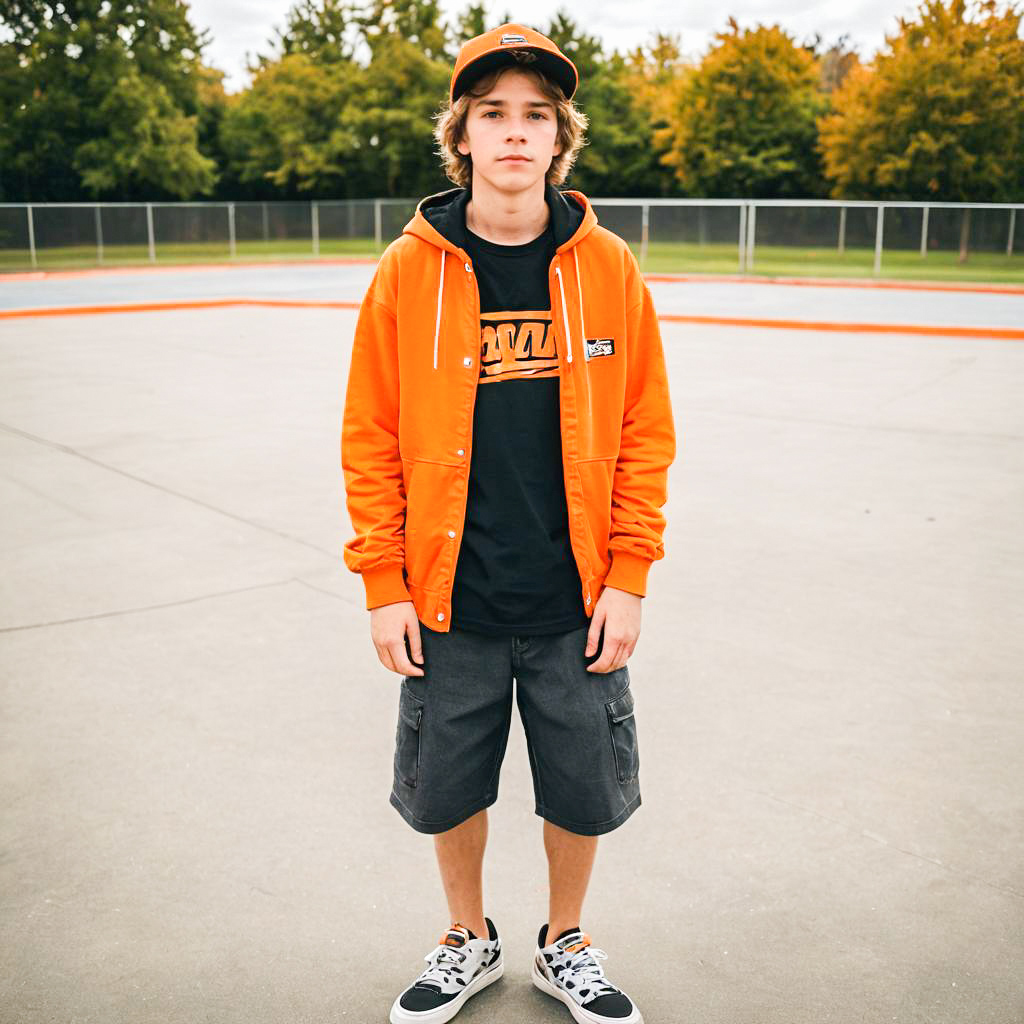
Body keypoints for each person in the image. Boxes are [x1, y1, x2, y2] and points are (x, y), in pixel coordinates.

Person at [341, 21, 676, 1024]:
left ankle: (563, 940)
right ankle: (468, 938)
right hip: (451, 595)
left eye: (536, 115)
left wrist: (628, 574)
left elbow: (645, 430)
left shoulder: (607, 264)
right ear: (463, 134)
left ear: (559, 138)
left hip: (575, 597)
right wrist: (384, 583)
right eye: (494, 114)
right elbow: (370, 433)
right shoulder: (410, 271)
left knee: (580, 786)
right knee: (450, 785)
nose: (515, 134)